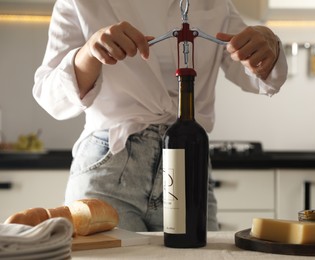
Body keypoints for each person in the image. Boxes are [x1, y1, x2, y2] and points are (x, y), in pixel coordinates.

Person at [33, 0, 288, 232]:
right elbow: (50, 97)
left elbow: (257, 75)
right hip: (110, 170)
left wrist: (269, 46)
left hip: (190, 168)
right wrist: (89, 53)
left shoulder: (217, 4)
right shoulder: (80, 3)